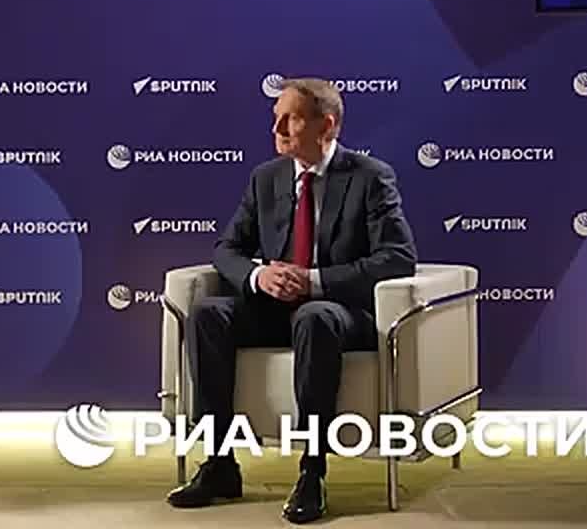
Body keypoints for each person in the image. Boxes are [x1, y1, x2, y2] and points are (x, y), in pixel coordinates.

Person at [166, 78, 417, 524]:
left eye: (291, 118)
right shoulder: (266, 178)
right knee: (208, 313)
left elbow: (397, 257)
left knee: (315, 317)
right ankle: (220, 462)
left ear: (327, 125)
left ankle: (312, 471)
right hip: (274, 308)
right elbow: (227, 249)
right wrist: (259, 275)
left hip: (339, 311)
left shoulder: (369, 177)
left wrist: (313, 281)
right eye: (275, 118)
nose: (277, 128)